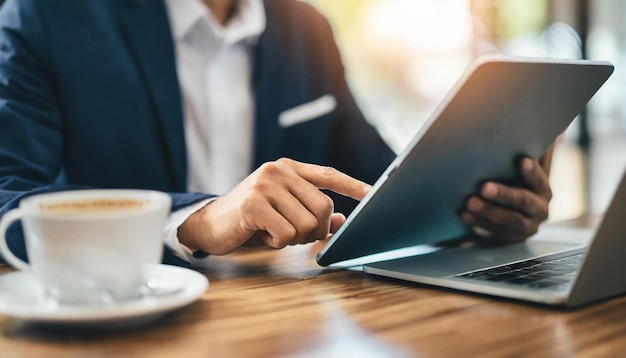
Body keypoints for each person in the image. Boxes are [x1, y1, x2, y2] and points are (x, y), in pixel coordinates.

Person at [0, 0, 553, 267]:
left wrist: (478, 209)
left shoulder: (307, 28)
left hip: (284, 329)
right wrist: (195, 220)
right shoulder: (46, 18)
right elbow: (7, 200)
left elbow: (375, 186)